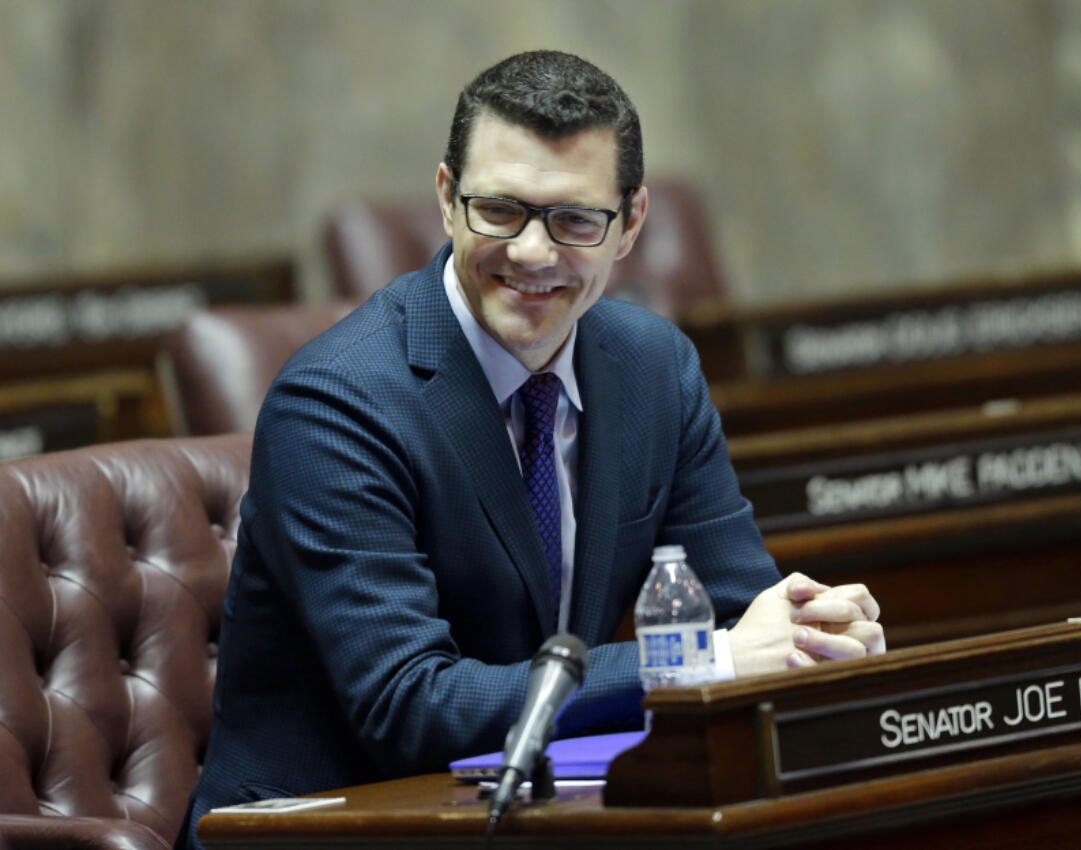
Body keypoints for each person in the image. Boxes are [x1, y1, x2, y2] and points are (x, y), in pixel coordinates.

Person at [175, 50, 883, 849]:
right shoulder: (337, 402)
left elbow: (739, 615)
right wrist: (708, 662)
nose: (535, 254)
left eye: (576, 220)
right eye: (502, 211)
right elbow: (410, 706)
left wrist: (811, 639)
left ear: (631, 225)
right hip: (323, 827)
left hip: (532, 819)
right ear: (447, 199)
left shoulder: (655, 368)